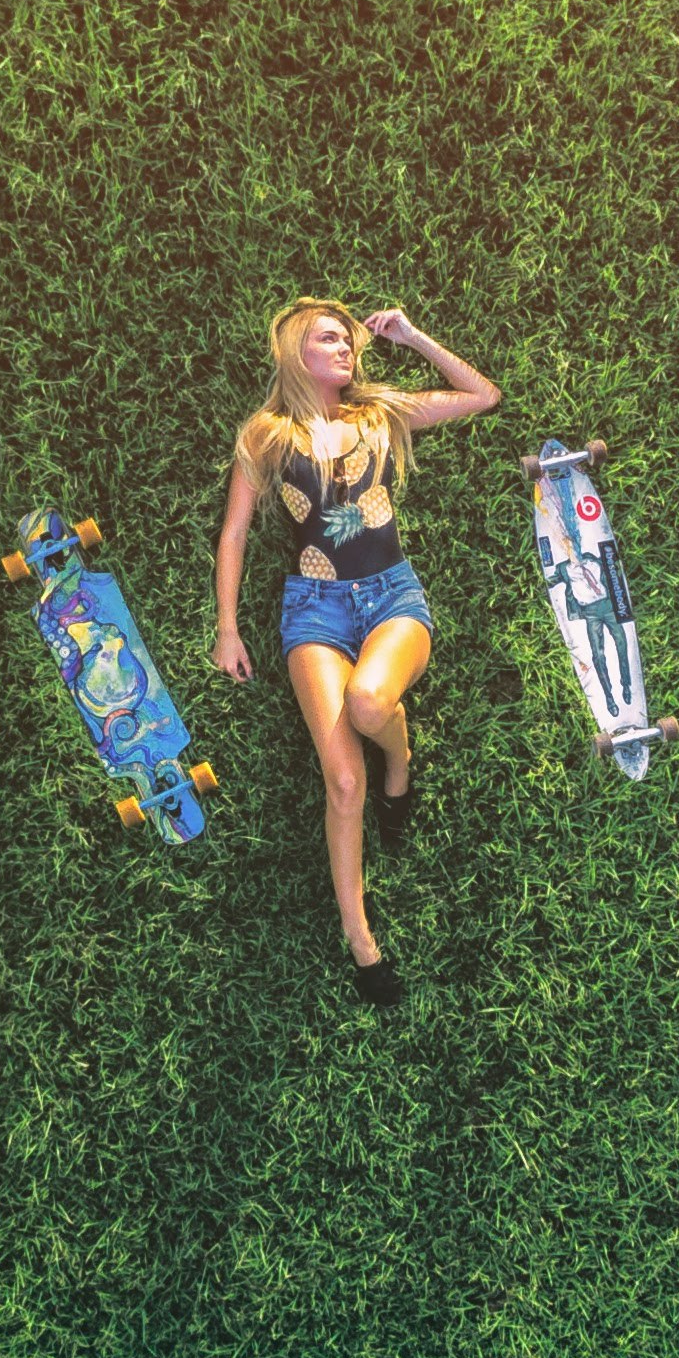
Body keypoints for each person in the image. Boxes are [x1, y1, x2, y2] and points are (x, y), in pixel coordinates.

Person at [212, 297, 499, 1003]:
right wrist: (227, 628)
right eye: (328, 338)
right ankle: (361, 941)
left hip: (391, 598)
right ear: (294, 353)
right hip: (313, 613)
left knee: (372, 704)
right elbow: (236, 533)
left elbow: (482, 396)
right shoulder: (268, 434)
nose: (346, 348)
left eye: (349, 339)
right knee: (341, 782)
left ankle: (399, 765)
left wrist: (411, 335)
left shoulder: (378, 415)